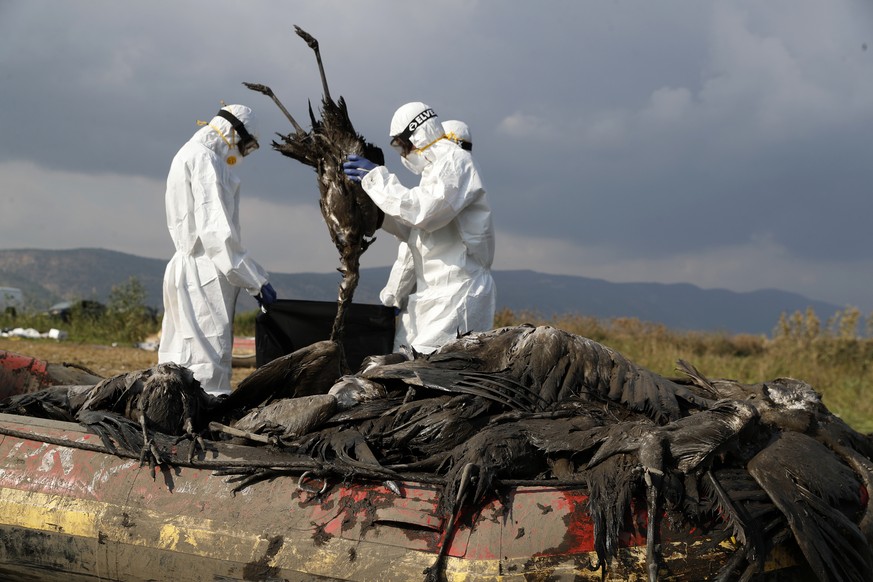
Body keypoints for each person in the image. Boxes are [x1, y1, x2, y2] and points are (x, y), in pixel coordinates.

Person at [343, 103, 495, 353]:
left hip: (458, 292)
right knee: (402, 364)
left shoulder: (456, 162)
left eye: (401, 145)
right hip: (429, 297)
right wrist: (378, 216)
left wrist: (376, 179)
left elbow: (425, 213)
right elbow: (416, 237)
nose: (403, 154)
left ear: (416, 134)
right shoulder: (433, 171)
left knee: (431, 375)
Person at [159, 104, 277, 396]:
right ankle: (204, 429)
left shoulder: (187, 152)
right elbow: (217, 234)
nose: (241, 154)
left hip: (183, 266)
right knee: (207, 364)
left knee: (177, 357)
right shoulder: (207, 161)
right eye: (245, 146)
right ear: (233, 133)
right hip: (205, 273)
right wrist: (256, 281)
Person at [379, 119, 474, 315]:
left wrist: (392, 297)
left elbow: (415, 243)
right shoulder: (468, 182)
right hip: (462, 297)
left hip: (437, 302)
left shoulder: (448, 180)